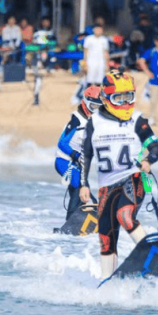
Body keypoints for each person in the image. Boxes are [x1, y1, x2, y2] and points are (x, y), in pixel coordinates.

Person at [79, 70, 158, 279]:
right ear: (106, 99)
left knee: (125, 215)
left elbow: (156, 148)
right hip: (106, 186)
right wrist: (84, 184)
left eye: (129, 97)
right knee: (105, 236)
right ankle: (107, 280)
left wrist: (148, 160)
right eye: (119, 98)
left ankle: (152, 255)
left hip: (133, 178)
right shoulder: (93, 122)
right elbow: (86, 155)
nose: (125, 103)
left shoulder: (137, 120)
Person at [55, 85, 103, 219]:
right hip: (64, 161)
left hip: (78, 165)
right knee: (79, 188)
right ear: (86, 102)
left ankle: (79, 222)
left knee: (85, 195)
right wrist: (75, 155)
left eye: (98, 107)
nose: (95, 110)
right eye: (93, 106)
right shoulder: (76, 120)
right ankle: (69, 224)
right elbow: (62, 143)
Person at [83, 22, 110, 87]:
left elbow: (106, 52)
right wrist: (85, 64)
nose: (98, 31)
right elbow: (85, 52)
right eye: (97, 29)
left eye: (100, 30)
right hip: (91, 62)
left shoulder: (104, 40)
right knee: (90, 80)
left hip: (101, 62)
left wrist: (107, 64)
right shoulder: (88, 39)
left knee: (100, 81)